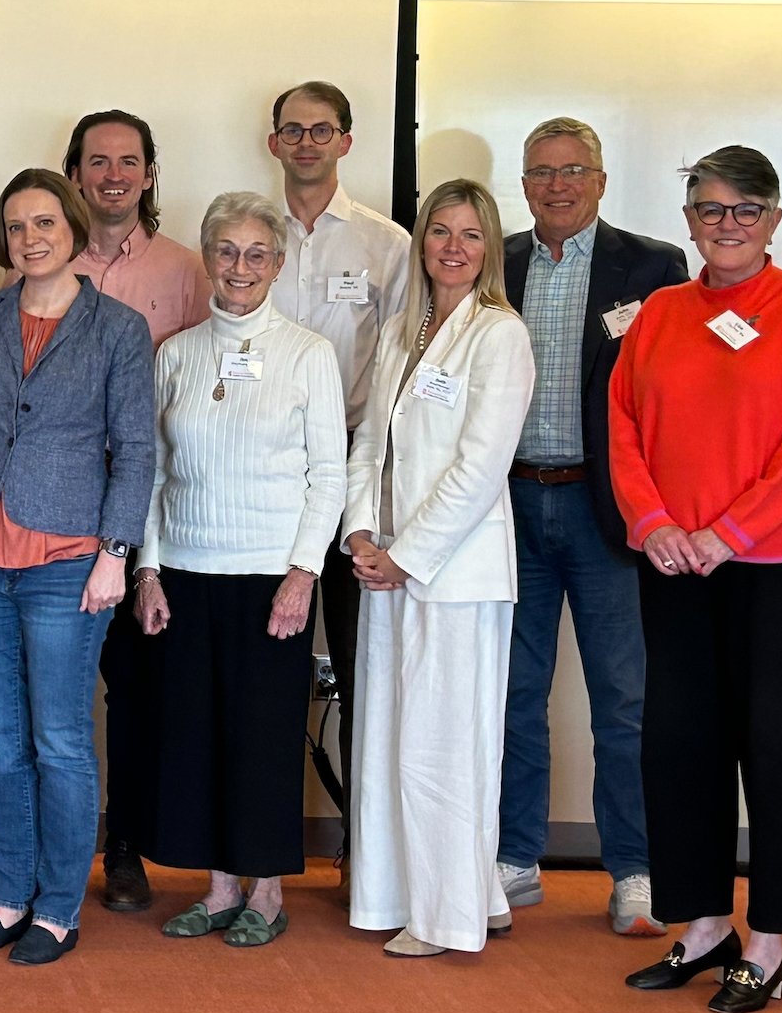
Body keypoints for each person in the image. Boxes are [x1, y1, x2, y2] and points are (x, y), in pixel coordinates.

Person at [611, 146, 782, 1013]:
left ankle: (772, 940)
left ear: (775, 219)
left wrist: (732, 532)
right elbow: (626, 426)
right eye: (710, 210)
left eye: (745, 211)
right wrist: (655, 525)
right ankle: (705, 924)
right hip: (678, 564)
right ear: (688, 220)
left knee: (780, 748)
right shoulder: (661, 313)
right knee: (680, 745)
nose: (727, 226)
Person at [0, 170, 155, 967]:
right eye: (17, 226)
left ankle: (58, 908)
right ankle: (9, 897)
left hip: (68, 562)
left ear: (74, 226)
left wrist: (114, 556)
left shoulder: (117, 329)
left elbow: (137, 453)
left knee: (59, 740)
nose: (31, 237)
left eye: (46, 221)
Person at [134, 192, 345, 948]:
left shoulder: (309, 354)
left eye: (258, 254)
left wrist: (303, 573)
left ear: (279, 265)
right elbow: (151, 472)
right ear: (208, 258)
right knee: (194, 733)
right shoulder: (177, 354)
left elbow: (330, 474)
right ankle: (218, 888)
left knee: (262, 734)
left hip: (270, 579)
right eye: (227, 251)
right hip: (185, 573)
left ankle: (265, 891)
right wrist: (148, 572)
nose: (241, 267)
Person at [498, 116, 688, 939]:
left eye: (575, 170)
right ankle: (514, 857)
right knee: (513, 694)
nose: (559, 185)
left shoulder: (651, 267)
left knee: (625, 700)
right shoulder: (494, 262)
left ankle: (636, 870)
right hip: (508, 507)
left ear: (602, 181)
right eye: (542, 171)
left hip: (607, 511)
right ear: (524, 182)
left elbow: (673, 394)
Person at [341, 178, 534, 957]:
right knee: (392, 739)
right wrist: (360, 534)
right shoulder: (399, 331)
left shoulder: (500, 334)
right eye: (441, 232)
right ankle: (450, 893)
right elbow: (368, 446)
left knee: (445, 744)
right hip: (383, 563)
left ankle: (445, 915)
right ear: (421, 242)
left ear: (489, 249)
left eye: (471, 235)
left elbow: (481, 469)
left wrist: (406, 555)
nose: (453, 248)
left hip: (453, 573)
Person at [62, 109, 210, 913]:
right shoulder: (39, 254)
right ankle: (53, 840)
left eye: (128, 161)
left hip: (149, 513)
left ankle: (125, 845)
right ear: (76, 172)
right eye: (97, 161)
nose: (113, 174)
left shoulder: (189, 272)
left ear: (150, 174)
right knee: (51, 682)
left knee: (137, 686)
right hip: (54, 510)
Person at [268, 80, 410, 852]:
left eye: (323, 131)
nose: (308, 143)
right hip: (268, 482)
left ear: (347, 142)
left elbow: (397, 373)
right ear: (274, 144)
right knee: (271, 672)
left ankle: (369, 851)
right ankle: (265, 845)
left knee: (362, 673)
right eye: (294, 130)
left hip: (355, 477)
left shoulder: (388, 246)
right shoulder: (251, 234)